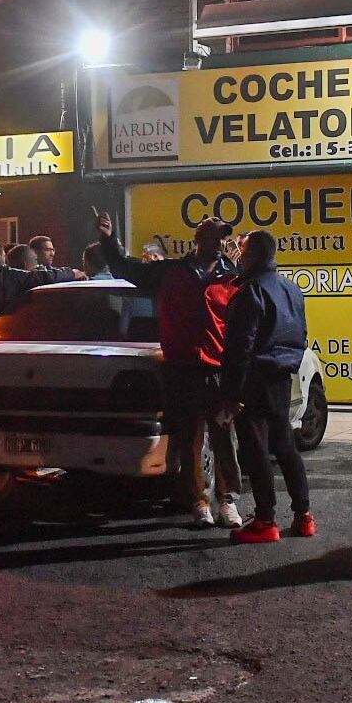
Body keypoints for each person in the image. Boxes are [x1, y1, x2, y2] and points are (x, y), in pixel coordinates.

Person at [95, 211, 245, 528]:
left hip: (219, 369)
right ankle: (199, 502)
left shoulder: (233, 276)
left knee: (224, 437)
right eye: (215, 236)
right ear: (198, 239)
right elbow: (126, 268)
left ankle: (227, 500)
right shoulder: (170, 271)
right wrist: (108, 240)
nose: (221, 242)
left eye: (224, 237)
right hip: (182, 369)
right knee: (189, 439)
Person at [220, 230, 313, 543]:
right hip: (281, 377)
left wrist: (231, 393)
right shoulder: (291, 289)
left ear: (251, 256)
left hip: (254, 379)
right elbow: (300, 334)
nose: (239, 255)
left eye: (243, 250)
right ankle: (303, 516)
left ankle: (265, 521)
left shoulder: (250, 292)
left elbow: (239, 347)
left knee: (256, 449)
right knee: (285, 445)